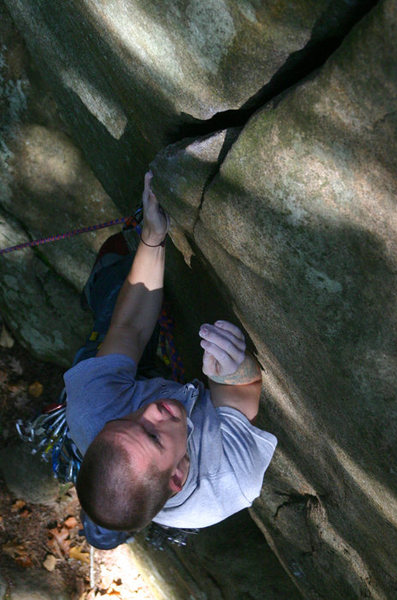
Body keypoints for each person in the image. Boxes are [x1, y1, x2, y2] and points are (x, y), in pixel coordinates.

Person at [64, 171, 277, 544]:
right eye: (152, 434)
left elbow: (128, 329)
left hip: (119, 378)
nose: (150, 410)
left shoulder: (92, 409)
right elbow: (241, 399)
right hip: (183, 420)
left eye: (125, 420)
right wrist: (232, 369)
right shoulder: (226, 482)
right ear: (177, 476)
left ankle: (100, 282)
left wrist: (152, 236)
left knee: (116, 292)